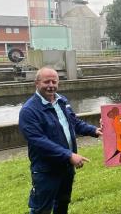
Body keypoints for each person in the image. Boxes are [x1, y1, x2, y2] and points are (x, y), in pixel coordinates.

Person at [19, 67, 102, 214]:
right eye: (46, 82)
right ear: (36, 83)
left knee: (63, 203)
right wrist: (69, 155)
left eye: (54, 81)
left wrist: (94, 130)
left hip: (66, 168)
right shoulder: (29, 110)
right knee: (42, 209)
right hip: (46, 170)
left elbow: (74, 122)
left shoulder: (62, 101)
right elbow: (39, 141)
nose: (51, 85)